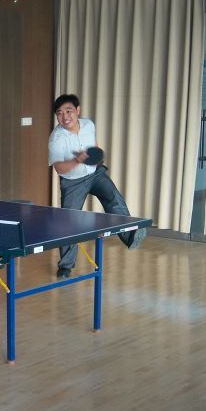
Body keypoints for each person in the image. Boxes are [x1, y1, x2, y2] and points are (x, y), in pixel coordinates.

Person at [47, 94, 146, 278]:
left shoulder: (88, 125)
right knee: (68, 221)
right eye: (59, 113)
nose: (64, 116)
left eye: (68, 111)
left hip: (95, 174)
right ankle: (66, 265)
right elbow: (59, 168)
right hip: (72, 182)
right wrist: (76, 160)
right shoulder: (56, 139)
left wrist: (96, 157)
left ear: (77, 110)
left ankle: (130, 236)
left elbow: (95, 146)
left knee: (113, 197)